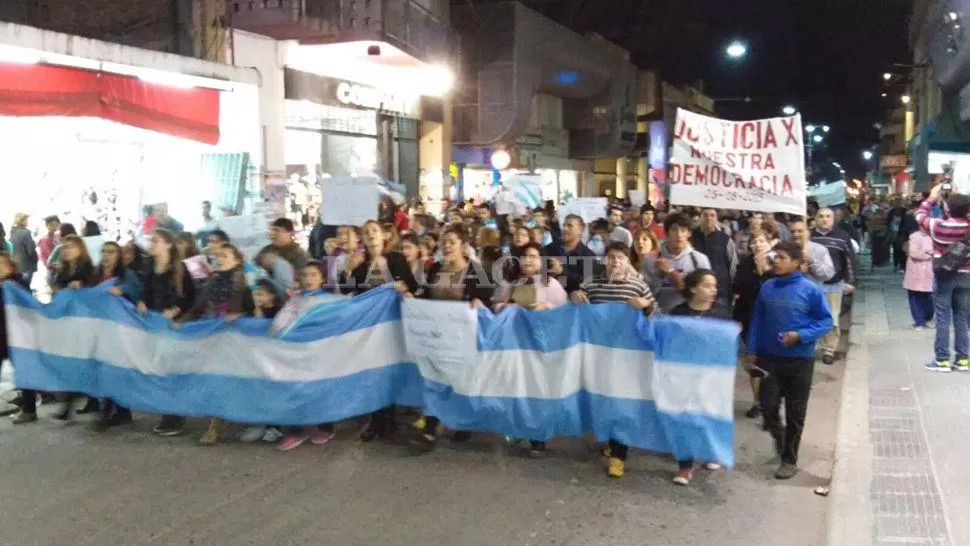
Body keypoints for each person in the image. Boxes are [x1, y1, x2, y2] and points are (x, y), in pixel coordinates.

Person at [746, 242, 834, 480]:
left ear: (796, 262)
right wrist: (752, 349)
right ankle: (780, 437)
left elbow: (826, 322)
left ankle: (789, 459)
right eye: (775, 256)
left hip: (800, 361)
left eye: (782, 257)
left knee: (796, 413)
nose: (776, 261)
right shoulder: (767, 288)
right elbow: (757, 320)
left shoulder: (811, 290)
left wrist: (800, 336)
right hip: (769, 358)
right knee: (769, 406)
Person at [570, 242, 655, 478]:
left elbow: (653, 311)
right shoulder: (593, 283)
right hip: (599, 355)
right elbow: (577, 304)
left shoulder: (638, 285)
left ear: (628, 261)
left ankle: (619, 456)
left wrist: (646, 304)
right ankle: (611, 443)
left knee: (621, 402)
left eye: (620, 258)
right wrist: (575, 295)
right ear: (605, 260)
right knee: (603, 399)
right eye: (611, 257)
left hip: (627, 356)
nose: (616, 262)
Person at [412, 227, 493, 449]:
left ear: (463, 245)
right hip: (436, 335)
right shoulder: (435, 268)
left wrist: (479, 302)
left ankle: (463, 421)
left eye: (451, 242)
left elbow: (487, 302)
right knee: (433, 378)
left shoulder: (477, 271)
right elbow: (424, 295)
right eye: (443, 242)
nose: (446, 246)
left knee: (461, 380)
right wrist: (410, 298)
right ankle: (431, 425)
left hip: (464, 337)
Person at [338, 220, 418, 441]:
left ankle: (390, 417)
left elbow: (413, 285)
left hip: (393, 324)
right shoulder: (361, 264)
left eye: (374, 230)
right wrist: (348, 268)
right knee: (372, 369)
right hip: (370, 327)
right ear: (362, 239)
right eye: (366, 232)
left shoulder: (396, 259)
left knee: (390, 369)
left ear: (384, 235)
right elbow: (346, 288)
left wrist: (405, 287)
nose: (370, 234)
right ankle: (376, 418)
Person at [187, 244, 256, 446]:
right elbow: (198, 307)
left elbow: (256, 309)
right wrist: (181, 323)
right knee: (217, 379)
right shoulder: (212, 281)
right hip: (213, 337)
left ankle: (229, 424)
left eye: (224, 255)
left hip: (237, 340)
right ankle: (216, 424)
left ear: (237, 260)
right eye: (216, 256)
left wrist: (240, 316)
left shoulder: (244, 280)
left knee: (234, 381)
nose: (219, 259)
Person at [668, 269, 730, 485]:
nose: (712, 290)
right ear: (693, 288)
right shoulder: (677, 313)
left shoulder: (721, 313)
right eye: (707, 285)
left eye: (714, 286)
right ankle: (685, 467)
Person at [137, 228, 197, 436]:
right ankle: (168, 413)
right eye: (151, 241)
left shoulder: (179, 269)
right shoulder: (150, 267)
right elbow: (146, 293)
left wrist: (177, 309)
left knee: (171, 370)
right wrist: (143, 302)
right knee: (160, 369)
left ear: (168, 244)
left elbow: (191, 297)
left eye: (156, 240)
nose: (151, 244)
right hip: (155, 326)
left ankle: (174, 417)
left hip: (174, 327)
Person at [915, 185, 970, 371]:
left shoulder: (939, 226)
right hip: (967, 277)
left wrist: (931, 197)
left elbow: (920, 215)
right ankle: (963, 359)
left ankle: (942, 360)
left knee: (943, 317)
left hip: (944, 276)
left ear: (947, 209)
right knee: (962, 318)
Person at [732, 230, 777, 421]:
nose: (757, 245)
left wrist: (763, 272)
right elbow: (737, 289)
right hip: (748, 317)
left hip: (773, 320)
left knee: (771, 363)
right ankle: (757, 402)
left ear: (769, 243)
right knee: (753, 362)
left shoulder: (778, 264)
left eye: (761, 241)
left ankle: (771, 401)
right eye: (754, 242)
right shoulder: (744, 265)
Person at [811, 208, 858, 365]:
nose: (825, 219)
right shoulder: (810, 237)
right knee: (811, 317)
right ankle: (810, 347)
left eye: (828, 216)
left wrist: (850, 281)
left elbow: (850, 260)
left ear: (833, 219)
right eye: (821, 216)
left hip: (834, 284)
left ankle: (829, 350)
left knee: (832, 318)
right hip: (812, 285)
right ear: (816, 219)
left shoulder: (842, 237)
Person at [655, 213, 712, 312]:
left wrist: (671, 273)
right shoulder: (653, 258)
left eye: (683, 230)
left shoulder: (699, 259)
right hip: (659, 317)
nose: (679, 235)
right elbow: (645, 291)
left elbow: (706, 293)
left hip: (688, 318)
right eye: (674, 230)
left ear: (689, 233)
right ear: (666, 232)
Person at [691, 208, 738, 307]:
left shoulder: (725, 239)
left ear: (717, 218)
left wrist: (734, 289)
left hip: (720, 290)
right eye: (705, 215)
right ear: (700, 217)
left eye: (712, 215)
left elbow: (733, 264)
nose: (709, 218)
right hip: (696, 291)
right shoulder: (691, 237)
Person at [544, 214, 598, 294]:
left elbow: (586, 283)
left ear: (581, 230)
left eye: (570, 226)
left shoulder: (588, 255)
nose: (565, 229)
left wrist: (562, 272)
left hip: (572, 301)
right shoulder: (550, 248)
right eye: (564, 225)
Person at [903, 228, 935, 331]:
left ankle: (928, 318)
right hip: (915, 272)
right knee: (916, 298)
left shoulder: (935, 235)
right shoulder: (915, 236)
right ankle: (919, 321)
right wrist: (930, 254)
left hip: (930, 272)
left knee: (930, 298)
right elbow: (914, 253)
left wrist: (928, 253)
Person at [789, 219, 835, 285]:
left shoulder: (820, 249)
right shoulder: (786, 250)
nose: (795, 234)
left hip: (812, 291)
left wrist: (811, 261)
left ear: (808, 233)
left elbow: (828, 274)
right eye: (792, 232)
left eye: (800, 231)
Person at [9, 213, 37, 286]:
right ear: (22, 221)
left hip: (16, 266)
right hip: (26, 266)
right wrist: (35, 260)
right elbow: (30, 250)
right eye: (26, 220)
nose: (27, 221)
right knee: (26, 286)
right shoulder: (26, 233)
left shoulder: (13, 232)